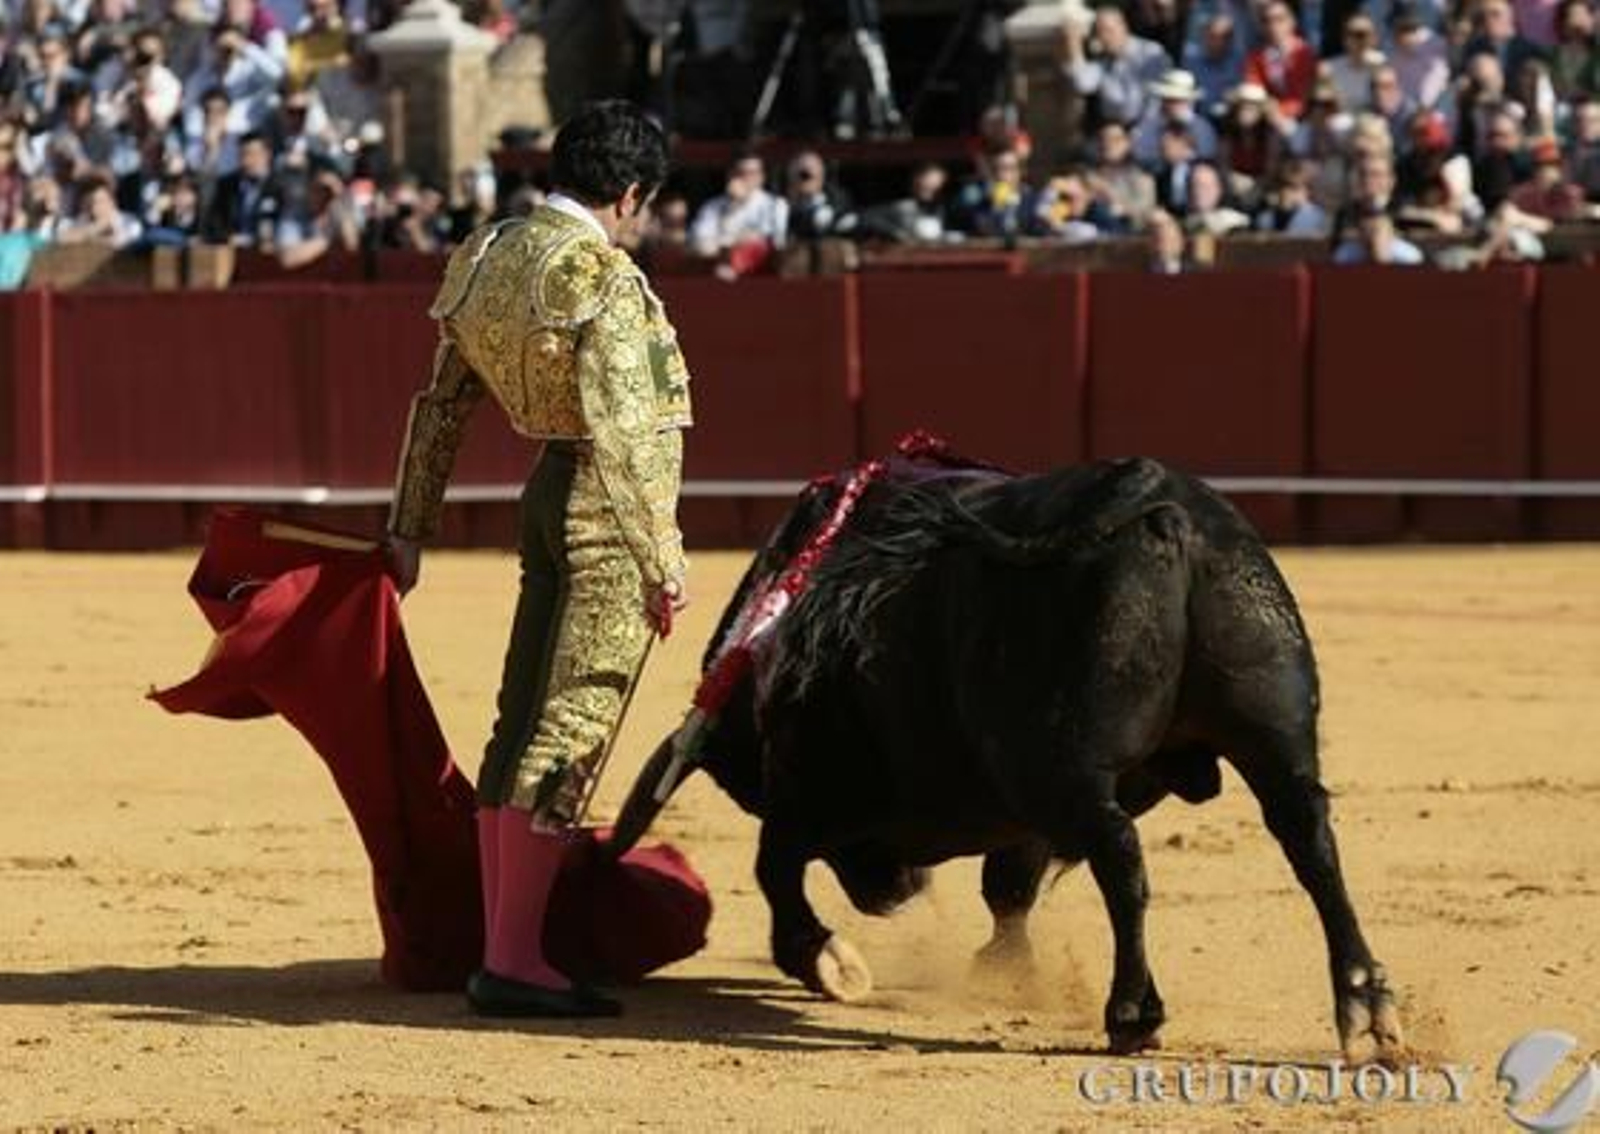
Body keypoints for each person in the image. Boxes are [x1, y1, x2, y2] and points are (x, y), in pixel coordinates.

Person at [385, 100, 692, 1020]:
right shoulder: (604, 277)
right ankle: (515, 960)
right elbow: (627, 432)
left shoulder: (486, 256)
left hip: (546, 499)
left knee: (520, 721)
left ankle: (508, 943)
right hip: (602, 512)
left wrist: (410, 525)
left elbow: (442, 402)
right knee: (571, 725)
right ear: (632, 193)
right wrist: (661, 556)